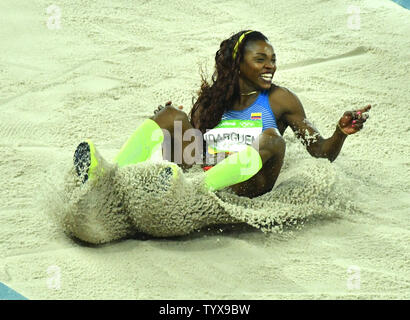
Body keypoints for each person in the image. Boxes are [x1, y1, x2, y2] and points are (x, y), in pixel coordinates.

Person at [74, 30, 371, 199]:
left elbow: (320, 152)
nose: (271, 66)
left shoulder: (280, 99)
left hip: (249, 182)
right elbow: (195, 152)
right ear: (238, 64)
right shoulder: (212, 101)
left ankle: (191, 193)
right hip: (208, 169)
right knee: (171, 115)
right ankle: (105, 176)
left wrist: (339, 133)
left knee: (271, 139)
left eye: (273, 60)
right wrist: (171, 132)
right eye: (261, 59)